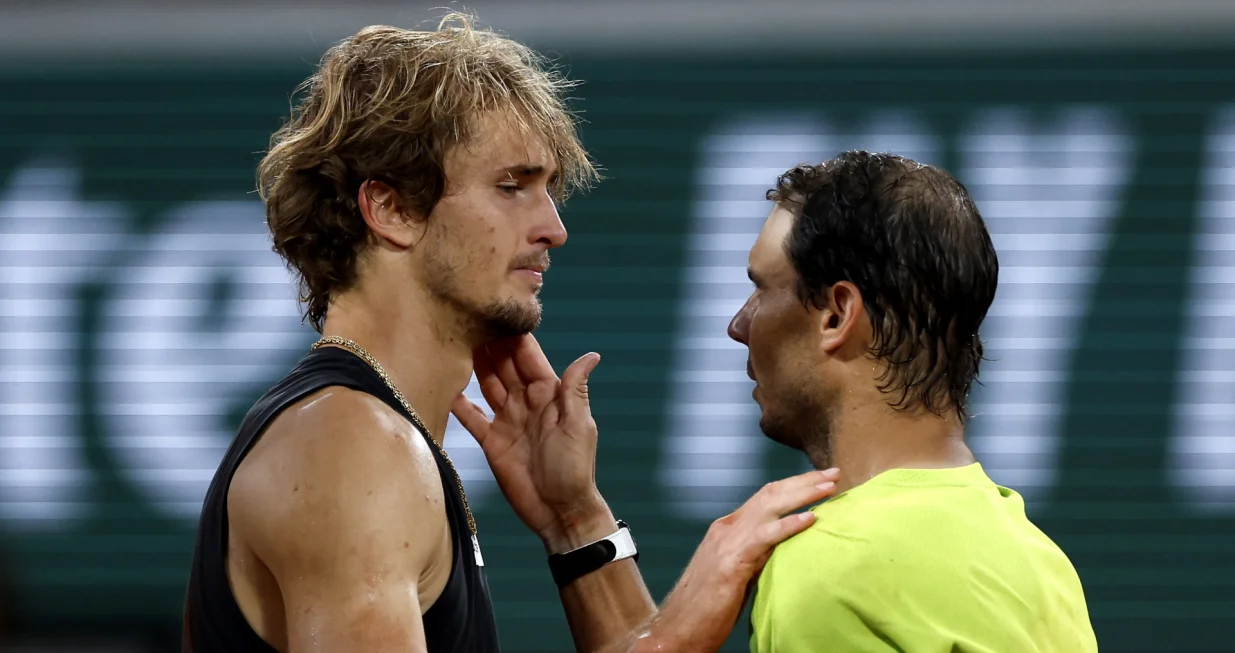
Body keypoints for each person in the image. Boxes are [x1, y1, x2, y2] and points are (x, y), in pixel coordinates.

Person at [180, 13, 838, 653]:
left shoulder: (367, 435)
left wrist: (572, 520)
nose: (554, 227)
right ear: (391, 210)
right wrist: (686, 621)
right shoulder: (351, 446)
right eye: (511, 186)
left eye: (547, 189)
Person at [712, 151, 1098, 651]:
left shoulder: (831, 569)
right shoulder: (1040, 564)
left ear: (837, 315)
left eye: (761, 289)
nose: (739, 326)